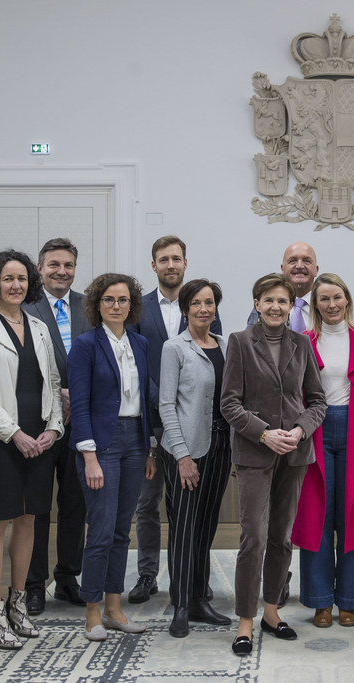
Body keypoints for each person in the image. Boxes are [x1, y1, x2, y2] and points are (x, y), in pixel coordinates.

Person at [0, 250, 64, 650]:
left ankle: (18, 603)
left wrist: (54, 427)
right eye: (8, 279)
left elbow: (53, 382)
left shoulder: (39, 326)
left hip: (39, 438)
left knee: (28, 520)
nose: (16, 285)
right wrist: (13, 433)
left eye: (22, 278)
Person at [221, 273, 326, 656]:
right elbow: (229, 404)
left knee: (282, 537)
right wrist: (265, 434)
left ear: (291, 304)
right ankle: (245, 621)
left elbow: (317, 401)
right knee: (254, 537)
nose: (276, 307)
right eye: (268, 300)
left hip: (295, 453)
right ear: (256, 304)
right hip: (255, 453)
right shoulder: (239, 343)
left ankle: (270, 612)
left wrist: (299, 431)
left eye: (282, 301)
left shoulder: (302, 343)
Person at [128, 236, 221, 606]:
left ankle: (197, 578)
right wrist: (160, 400)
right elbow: (134, 361)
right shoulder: (138, 308)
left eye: (176, 259)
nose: (170, 265)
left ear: (185, 263)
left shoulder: (203, 304)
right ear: (154, 266)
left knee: (194, 508)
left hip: (197, 424)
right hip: (150, 421)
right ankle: (148, 574)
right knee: (147, 503)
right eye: (163, 259)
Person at [291, 273, 354, 628]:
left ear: (347, 300)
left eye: (337, 297)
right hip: (313, 430)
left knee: (351, 516)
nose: (331, 305)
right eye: (324, 299)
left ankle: (350, 600)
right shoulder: (303, 341)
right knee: (317, 515)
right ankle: (319, 602)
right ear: (315, 305)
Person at [68, 273, 152, 641]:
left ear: (131, 305)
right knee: (100, 531)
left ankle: (115, 607)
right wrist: (88, 455)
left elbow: (145, 399)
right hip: (101, 444)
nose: (116, 306)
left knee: (122, 530)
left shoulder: (141, 343)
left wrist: (149, 446)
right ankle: (92, 611)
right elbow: (81, 405)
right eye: (109, 300)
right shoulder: (85, 345)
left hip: (135, 440)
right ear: (96, 305)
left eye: (122, 300)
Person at [158, 279, 232, 637]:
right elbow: (165, 405)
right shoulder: (174, 347)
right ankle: (182, 605)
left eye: (210, 303)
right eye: (197, 303)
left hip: (220, 447)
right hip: (186, 451)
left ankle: (201, 599)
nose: (205, 309)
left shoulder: (225, 345)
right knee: (184, 529)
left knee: (205, 527)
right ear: (186, 308)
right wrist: (182, 456)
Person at [23, 238, 89, 614]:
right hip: (38, 424)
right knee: (37, 506)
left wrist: (76, 397)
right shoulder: (23, 305)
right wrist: (54, 395)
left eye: (67, 265)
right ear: (40, 267)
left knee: (75, 504)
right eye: (53, 265)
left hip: (80, 423)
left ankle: (67, 577)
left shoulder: (87, 305)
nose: (61, 271)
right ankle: (34, 583)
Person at [246, 242, 319, 331]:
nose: (299, 266)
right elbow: (250, 341)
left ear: (316, 270)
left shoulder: (326, 304)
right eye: (293, 261)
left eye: (306, 261)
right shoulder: (266, 305)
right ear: (282, 269)